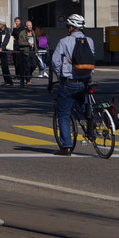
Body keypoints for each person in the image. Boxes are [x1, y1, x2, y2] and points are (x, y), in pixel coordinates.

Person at [51, 14, 94, 156]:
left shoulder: (64, 41)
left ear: (70, 27)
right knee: (85, 106)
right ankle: (92, 126)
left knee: (63, 114)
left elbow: (55, 62)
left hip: (69, 82)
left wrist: (60, 76)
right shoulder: (89, 41)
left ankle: (66, 146)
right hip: (85, 81)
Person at [0, 21, 14, 86]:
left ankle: (9, 81)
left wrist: (1, 48)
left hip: (5, 50)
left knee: (5, 66)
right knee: (3, 66)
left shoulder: (7, 31)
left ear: (2, 25)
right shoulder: (0, 31)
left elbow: (6, 40)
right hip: (1, 50)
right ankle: (6, 80)